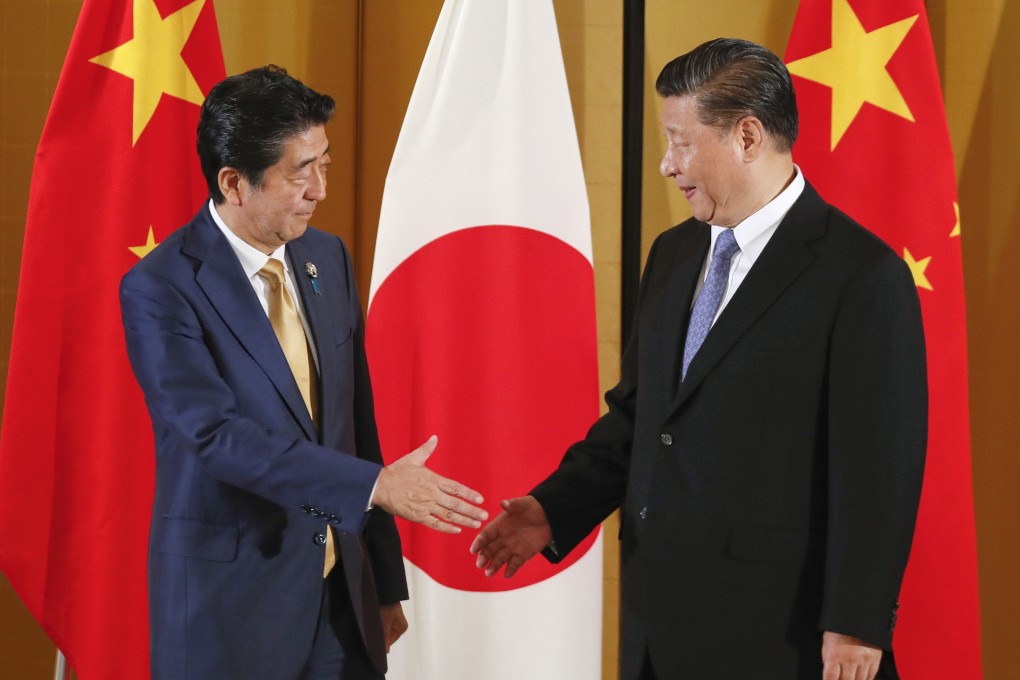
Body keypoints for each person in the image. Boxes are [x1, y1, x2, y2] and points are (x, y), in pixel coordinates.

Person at [471, 38, 926, 680]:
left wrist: (855, 621)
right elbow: (645, 418)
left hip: (781, 638)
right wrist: (555, 508)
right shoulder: (674, 254)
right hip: (657, 630)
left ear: (746, 136)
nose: (666, 164)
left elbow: (879, 470)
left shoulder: (861, 275)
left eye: (681, 141)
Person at [120, 65, 487, 680]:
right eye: (300, 171)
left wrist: (383, 579)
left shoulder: (327, 257)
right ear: (234, 182)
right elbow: (214, 436)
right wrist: (372, 487)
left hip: (341, 603)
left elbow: (354, 422)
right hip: (231, 610)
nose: (320, 188)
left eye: (326, 162)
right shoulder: (160, 287)